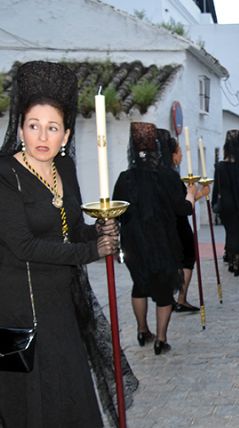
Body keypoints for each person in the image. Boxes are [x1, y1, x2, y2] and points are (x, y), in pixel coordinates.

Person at [0, 60, 137, 427]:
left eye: (52, 128)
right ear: (21, 127)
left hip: (62, 308)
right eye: (33, 126)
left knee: (71, 401)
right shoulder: (5, 174)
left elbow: (73, 232)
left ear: (66, 134)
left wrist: (102, 233)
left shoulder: (66, 169)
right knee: (35, 409)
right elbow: (24, 246)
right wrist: (92, 250)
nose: (42, 137)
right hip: (22, 312)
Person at [113, 122, 196, 355]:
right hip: (162, 241)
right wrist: (190, 194)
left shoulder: (124, 178)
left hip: (134, 242)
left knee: (139, 285)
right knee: (163, 290)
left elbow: (118, 210)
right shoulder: (168, 177)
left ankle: (142, 330)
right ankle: (160, 339)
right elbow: (183, 209)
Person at [157, 128, 208, 313]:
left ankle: (173, 298)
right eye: (179, 151)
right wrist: (195, 193)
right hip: (178, 226)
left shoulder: (157, 174)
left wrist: (197, 195)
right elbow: (183, 206)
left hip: (165, 225)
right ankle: (181, 298)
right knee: (187, 259)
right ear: (173, 154)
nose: (181, 156)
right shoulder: (170, 175)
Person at [211, 130, 239, 276]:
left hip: (226, 206)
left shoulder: (220, 167)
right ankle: (235, 264)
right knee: (238, 234)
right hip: (238, 204)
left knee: (230, 233)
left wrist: (214, 201)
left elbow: (216, 187)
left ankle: (230, 258)